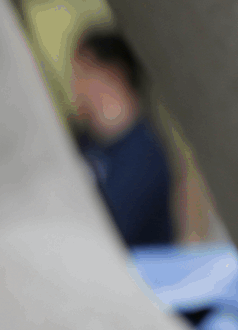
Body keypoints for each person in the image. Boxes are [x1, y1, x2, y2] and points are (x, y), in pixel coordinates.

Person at [71, 29, 174, 247]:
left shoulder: (146, 152)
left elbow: (113, 229)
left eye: (83, 72)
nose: (75, 84)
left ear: (113, 73)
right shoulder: (83, 143)